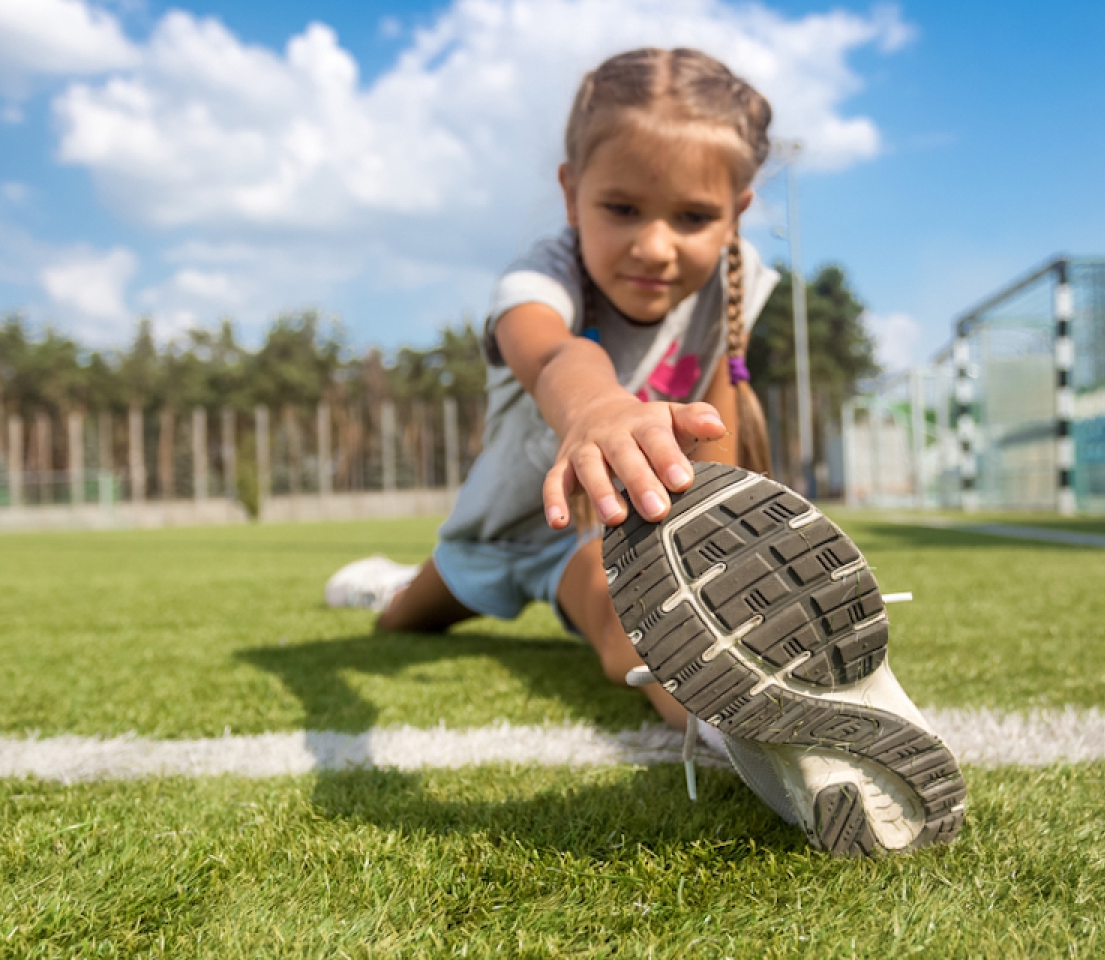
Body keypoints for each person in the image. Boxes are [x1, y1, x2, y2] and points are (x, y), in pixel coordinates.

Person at [327, 47, 965, 857]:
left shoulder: (739, 280)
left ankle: (767, 736)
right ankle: (383, 584)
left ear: (736, 212)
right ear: (570, 193)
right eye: (622, 208)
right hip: (503, 532)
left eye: (692, 219)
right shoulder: (538, 277)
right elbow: (555, 356)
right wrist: (597, 410)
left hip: (606, 534)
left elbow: (717, 420)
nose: (656, 246)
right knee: (398, 627)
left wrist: (733, 560)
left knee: (635, 624)